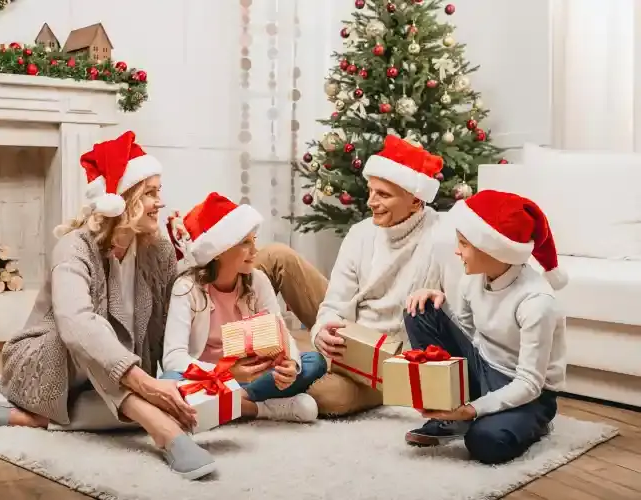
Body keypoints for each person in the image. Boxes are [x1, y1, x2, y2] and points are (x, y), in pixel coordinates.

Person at [0, 131, 216, 481]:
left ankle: (29, 418)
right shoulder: (74, 248)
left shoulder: (159, 250)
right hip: (51, 361)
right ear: (124, 199)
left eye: (159, 192)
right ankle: (164, 432)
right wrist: (145, 384)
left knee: (142, 396)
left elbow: (175, 313)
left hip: (110, 378)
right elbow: (76, 325)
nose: (160, 202)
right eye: (151, 193)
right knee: (91, 330)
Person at [252, 134, 463, 416]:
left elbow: (459, 317)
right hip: (347, 336)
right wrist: (323, 330)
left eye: (384, 195)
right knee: (274, 255)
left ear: (416, 201)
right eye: (371, 190)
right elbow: (334, 304)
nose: (371, 202)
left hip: (390, 360)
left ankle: (276, 379)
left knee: (325, 397)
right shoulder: (361, 233)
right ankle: (239, 354)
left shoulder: (443, 236)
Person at [403, 189, 568, 464]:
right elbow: (469, 334)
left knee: (486, 442)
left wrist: (472, 410)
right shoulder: (475, 279)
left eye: (464, 244)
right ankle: (452, 410)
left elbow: (529, 384)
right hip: (484, 368)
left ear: (494, 249)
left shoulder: (537, 302)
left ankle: (533, 424)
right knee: (420, 310)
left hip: (529, 393)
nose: (457, 251)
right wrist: (439, 303)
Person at [162, 193, 327, 422]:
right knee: (167, 380)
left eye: (254, 240)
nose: (255, 251)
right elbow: (173, 357)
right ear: (219, 250)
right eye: (245, 243)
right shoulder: (186, 288)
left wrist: (291, 364)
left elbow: (280, 330)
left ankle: (224, 404)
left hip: (252, 377)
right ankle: (261, 409)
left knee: (313, 362)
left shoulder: (257, 280)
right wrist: (224, 372)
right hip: (209, 377)